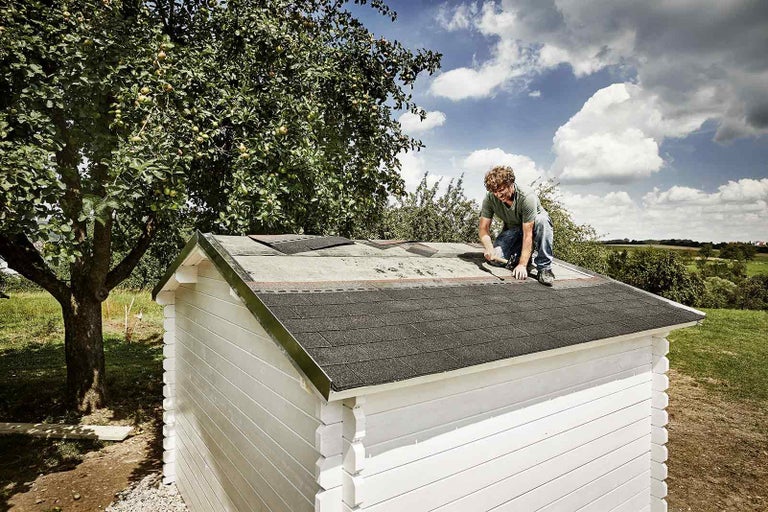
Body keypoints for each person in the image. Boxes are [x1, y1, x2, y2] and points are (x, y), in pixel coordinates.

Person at [478, 165, 555, 286]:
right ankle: (523, 256)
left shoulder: (526, 197)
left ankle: (544, 267)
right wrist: (489, 248)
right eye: (494, 192)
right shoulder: (490, 199)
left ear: (511, 184)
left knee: (542, 220)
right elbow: (483, 228)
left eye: (501, 190)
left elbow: (528, 234)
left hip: (534, 227)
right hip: (514, 230)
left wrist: (522, 265)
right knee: (495, 259)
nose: (498, 195)